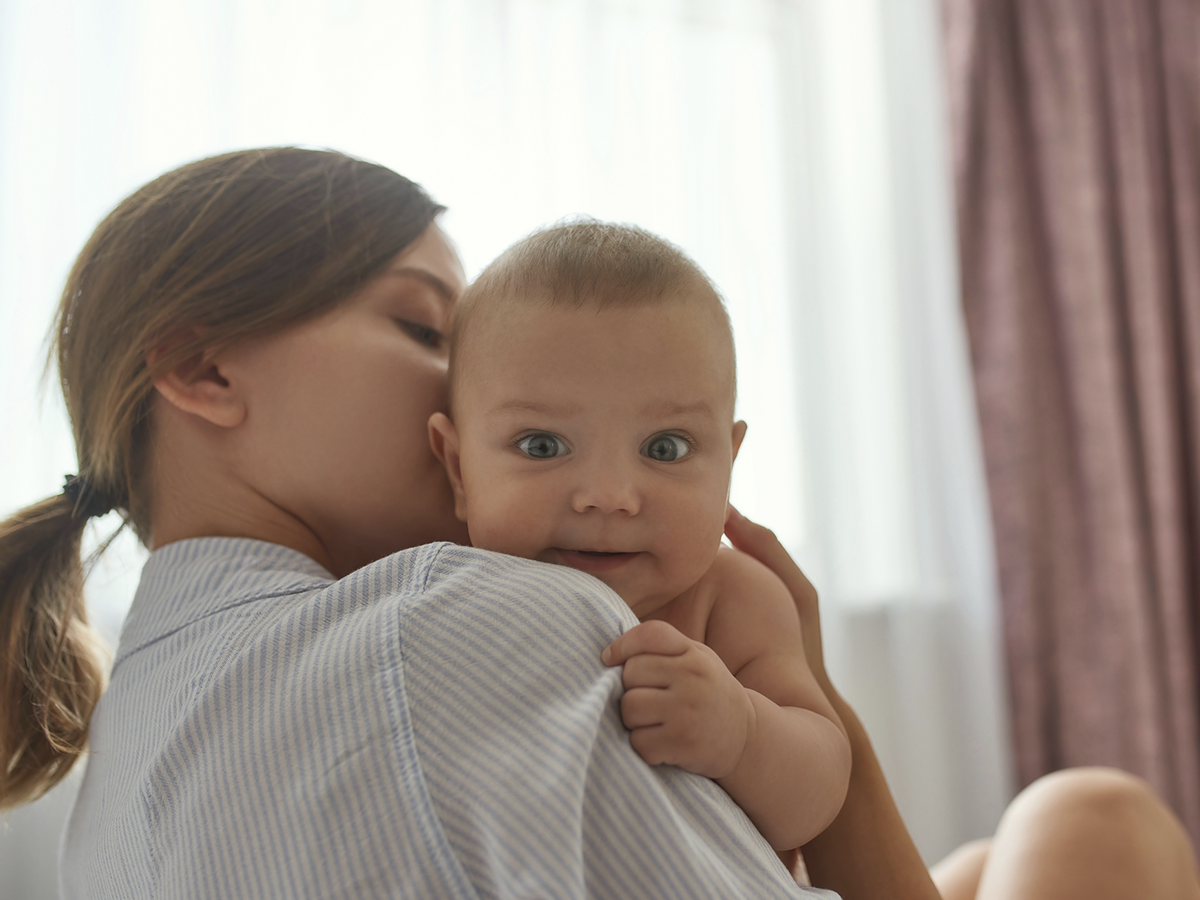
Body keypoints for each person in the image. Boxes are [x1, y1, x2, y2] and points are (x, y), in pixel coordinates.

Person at [0, 147, 1196, 900]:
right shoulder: (452, 620)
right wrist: (808, 707)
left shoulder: (123, 762)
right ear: (203, 369)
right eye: (428, 333)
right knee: (1087, 817)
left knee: (996, 859)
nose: (459, 393)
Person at [427, 220, 850, 854]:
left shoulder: (729, 597)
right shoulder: (438, 592)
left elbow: (817, 794)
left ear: (729, 462)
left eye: (666, 447)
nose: (610, 495)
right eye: (542, 446)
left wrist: (743, 733)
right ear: (459, 468)